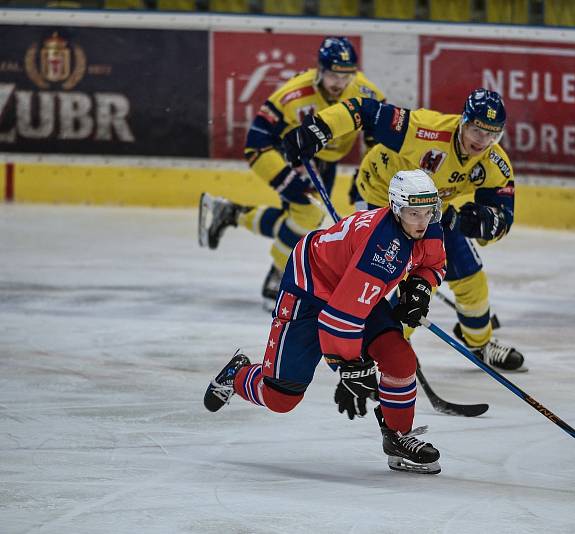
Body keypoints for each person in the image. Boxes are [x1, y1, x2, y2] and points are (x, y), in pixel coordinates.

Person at [203, 169, 447, 474]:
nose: (423, 221)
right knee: (280, 398)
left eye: (428, 212)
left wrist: (420, 287)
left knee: (399, 359)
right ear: (397, 209)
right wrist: (350, 368)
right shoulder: (381, 250)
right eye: (414, 213)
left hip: (351, 287)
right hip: (310, 289)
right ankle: (238, 375)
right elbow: (339, 318)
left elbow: (434, 262)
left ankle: (398, 436)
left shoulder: (428, 225)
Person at [281, 88, 526, 372]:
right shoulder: (424, 130)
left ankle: (481, 343)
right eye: (475, 129)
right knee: (401, 280)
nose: (482, 141)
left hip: (431, 208)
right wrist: (320, 128)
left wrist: (484, 221)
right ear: (463, 120)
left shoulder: (493, 162)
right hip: (382, 197)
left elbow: (503, 218)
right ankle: (390, 349)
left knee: (470, 277)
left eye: (491, 134)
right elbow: (366, 110)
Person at [198, 36, 385, 308]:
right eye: (333, 74)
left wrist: (365, 177)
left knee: (299, 219)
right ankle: (277, 274)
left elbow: (378, 143)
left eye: (347, 76)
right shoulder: (293, 94)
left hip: (327, 160)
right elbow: (256, 142)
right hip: (294, 156)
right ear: (320, 70)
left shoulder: (366, 94)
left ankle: (232, 214)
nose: (339, 84)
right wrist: (286, 179)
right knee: (308, 215)